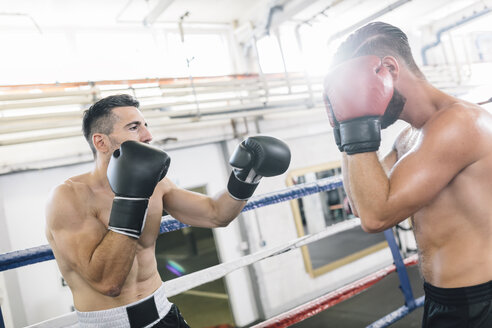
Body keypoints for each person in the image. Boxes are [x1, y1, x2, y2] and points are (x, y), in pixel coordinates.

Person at [45, 94, 291, 328]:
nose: (148, 135)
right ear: (101, 141)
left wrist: (245, 178)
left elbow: (216, 213)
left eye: (146, 125)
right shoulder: (70, 197)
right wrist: (131, 198)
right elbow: (107, 283)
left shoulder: (156, 184)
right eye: (134, 127)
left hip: (164, 314)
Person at [323, 22, 492, 327]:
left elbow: (376, 218)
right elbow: (360, 203)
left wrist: (355, 122)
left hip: (479, 302)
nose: (354, 95)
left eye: (354, 85)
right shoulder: (408, 139)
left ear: (388, 67)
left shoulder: (459, 124)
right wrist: (343, 128)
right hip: (442, 298)